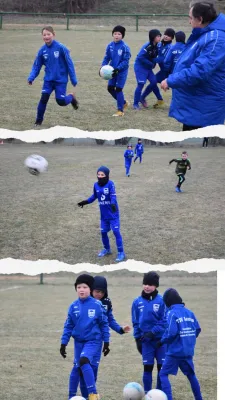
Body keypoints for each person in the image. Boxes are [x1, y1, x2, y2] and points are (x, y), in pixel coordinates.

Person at [161, 2, 225, 131]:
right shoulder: (205, 34)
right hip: (195, 105)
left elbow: (200, 71)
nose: (189, 21)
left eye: (190, 18)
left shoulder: (216, 39)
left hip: (203, 108)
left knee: (199, 146)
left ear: (200, 19)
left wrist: (171, 80)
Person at [79, 275, 131, 399]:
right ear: (91, 289)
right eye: (97, 291)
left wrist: (120, 329)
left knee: (93, 370)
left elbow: (110, 320)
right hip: (86, 340)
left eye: (102, 292)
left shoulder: (106, 303)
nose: (99, 294)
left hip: (98, 341)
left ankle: (89, 396)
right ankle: (91, 395)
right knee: (83, 367)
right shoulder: (85, 301)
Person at [60, 274, 110, 400]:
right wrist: (63, 343)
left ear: (90, 289)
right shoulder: (73, 306)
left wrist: (106, 342)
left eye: (85, 287)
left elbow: (104, 324)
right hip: (79, 342)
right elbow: (68, 326)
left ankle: (93, 394)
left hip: (93, 341)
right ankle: (73, 396)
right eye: (79, 287)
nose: (81, 289)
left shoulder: (97, 305)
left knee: (83, 362)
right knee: (78, 369)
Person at [28, 26, 78, 127]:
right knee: (43, 99)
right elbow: (37, 66)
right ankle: (38, 121)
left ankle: (71, 97)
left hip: (61, 80)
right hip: (48, 81)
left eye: (48, 34)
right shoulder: (42, 50)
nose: (46, 36)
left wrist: (73, 78)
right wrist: (31, 77)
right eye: (44, 35)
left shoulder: (61, 48)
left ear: (53, 35)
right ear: (42, 36)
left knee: (61, 101)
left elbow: (70, 64)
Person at [158, 288, 203, 400]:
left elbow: (171, 333)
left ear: (167, 302)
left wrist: (161, 341)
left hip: (174, 352)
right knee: (191, 375)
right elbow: (197, 329)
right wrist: (188, 340)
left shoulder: (171, 313)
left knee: (163, 374)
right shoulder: (190, 312)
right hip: (187, 352)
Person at [77, 166, 126, 262]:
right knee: (103, 232)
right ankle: (107, 249)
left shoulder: (110, 184)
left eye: (102, 175)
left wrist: (113, 205)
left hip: (113, 215)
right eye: (98, 174)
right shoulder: (96, 185)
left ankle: (121, 252)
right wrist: (85, 202)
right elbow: (94, 196)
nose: (100, 176)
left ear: (106, 175)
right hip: (104, 216)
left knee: (116, 232)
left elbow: (113, 196)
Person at [131, 272, 167, 393]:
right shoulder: (137, 302)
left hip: (161, 341)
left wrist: (153, 332)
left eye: (150, 284)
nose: (147, 287)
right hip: (145, 341)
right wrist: (137, 339)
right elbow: (135, 322)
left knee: (161, 368)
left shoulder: (162, 301)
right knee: (147, 368)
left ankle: (158, 392)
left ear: (156, 286)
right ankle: (147, 393)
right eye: (145, 283)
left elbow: (164, 321)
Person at [140, 28, 175, 109]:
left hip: (169, 72)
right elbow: (154, 53)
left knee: (176, 88)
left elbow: (163, 59)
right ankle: (146, 98)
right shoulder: (159, 44)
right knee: (153, 82)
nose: (166, 36)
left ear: (172, 38)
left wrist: (152, 60)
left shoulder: (170, 47)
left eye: (169, 36)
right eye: (165, 34)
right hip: (163, 71)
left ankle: (177, 105)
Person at [101, 25, 131, 117]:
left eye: (119, 34)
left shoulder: (125, 47)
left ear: (122, 36)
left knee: (118, 89)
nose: (117, 35)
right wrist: (103, 67)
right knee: (110, 88)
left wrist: (118, 69)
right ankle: (124, 102)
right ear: (112, 34)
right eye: (115, 33)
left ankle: (120, 111)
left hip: (121, 71)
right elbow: (107, 57)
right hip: (112, 71)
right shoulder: (110, 45)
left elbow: (126, 61)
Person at [133, 29, 162, 110]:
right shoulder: (148, 46)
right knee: (141, 84)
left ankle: (143, 98)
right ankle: (135, 104)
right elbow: (140, 57)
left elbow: (154, 57)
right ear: (153, 37)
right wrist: (151, 64)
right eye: (158, 36)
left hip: (148, 68)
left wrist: (156, 61)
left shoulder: (157, 46)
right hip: (140, 67)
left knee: (154, 82)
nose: (159, 38)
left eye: (160, 36)